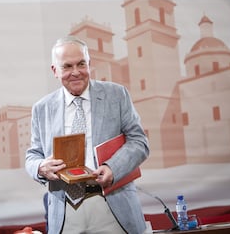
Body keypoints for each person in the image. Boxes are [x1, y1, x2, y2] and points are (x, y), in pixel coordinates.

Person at [26, 35, 150, 234]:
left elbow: (139, 142)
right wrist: (40, 167)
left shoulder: (117, 95)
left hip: (112, 205)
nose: (76, 72)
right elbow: (32, 155)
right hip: (65, 212)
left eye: (81, 64)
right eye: (67, 66)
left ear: (89, 64)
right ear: (55, 71)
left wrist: (113, 168)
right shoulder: (42, 108)